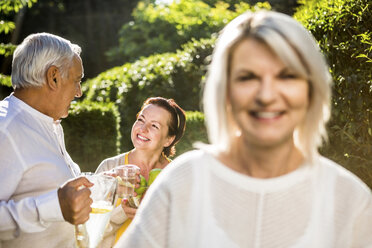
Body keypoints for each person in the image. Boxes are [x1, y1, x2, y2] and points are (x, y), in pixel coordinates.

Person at [115, 11, 372, 247]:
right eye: (247, 77)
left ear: (311, 88)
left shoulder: (351, 201)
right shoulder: (182, 182)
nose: (267, 95)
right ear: (225, 91)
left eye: (287, 76)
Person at [0, 33, 94, 248]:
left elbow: (49, 188)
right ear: (53, 77)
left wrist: (105, 182)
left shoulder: (47, 124)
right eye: (77, 81)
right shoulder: (5, 128)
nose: (79, 92)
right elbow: (56, 202)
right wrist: (53, 207)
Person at [95, 96, 186, 248]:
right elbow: (88, 227)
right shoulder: (110, 167)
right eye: (141, 120)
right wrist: (121, 213)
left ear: (168, 140)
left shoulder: (175, 176)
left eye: (154, 126)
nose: (143, 129)